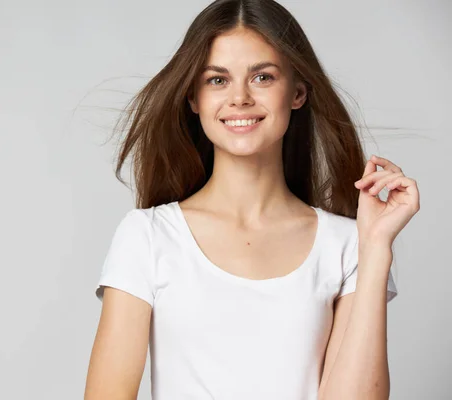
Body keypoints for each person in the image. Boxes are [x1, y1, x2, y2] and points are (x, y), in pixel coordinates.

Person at [84, 0, 421, 399]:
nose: (239, 98)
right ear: (194, 99)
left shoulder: (348, 245)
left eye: (262, 77)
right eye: (217, 80)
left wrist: (376, 248)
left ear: (297, 93)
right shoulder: (148, 236)